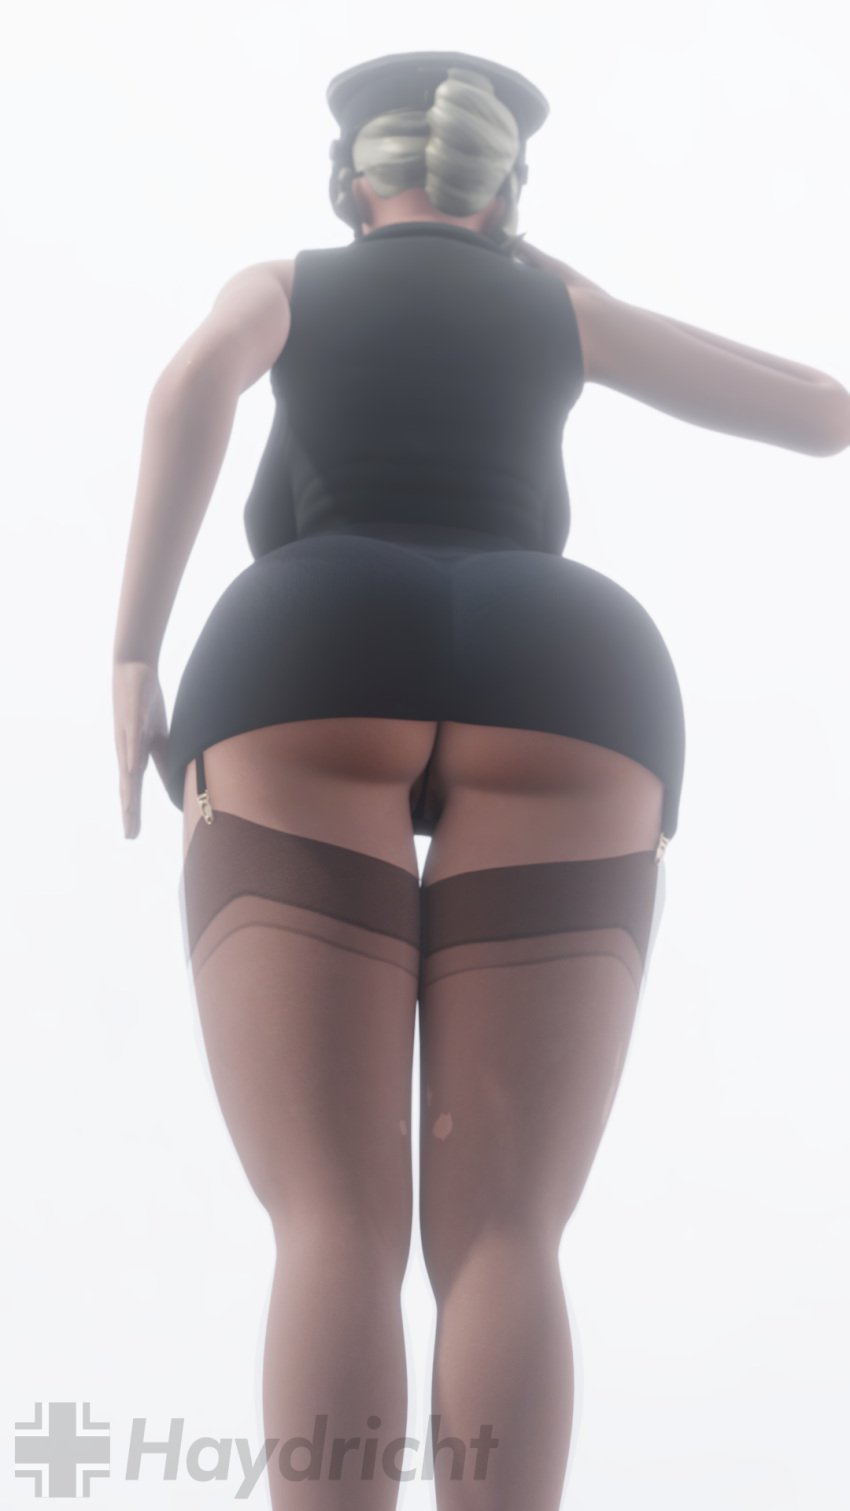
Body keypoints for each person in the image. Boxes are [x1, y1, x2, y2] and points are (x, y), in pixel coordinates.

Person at [112, 49, 850, 1511]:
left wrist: (134, 649)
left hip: (310, 648)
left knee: (332, 1216)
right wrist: (555, 288)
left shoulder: (289, 283)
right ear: (507, 191)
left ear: (349, 180)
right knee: (507, 1227)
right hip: (569, 671)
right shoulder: (559, 305)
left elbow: (191, 381)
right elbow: (824, 412)